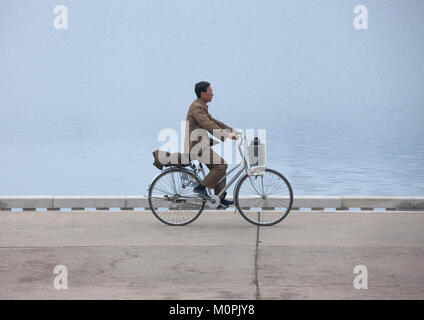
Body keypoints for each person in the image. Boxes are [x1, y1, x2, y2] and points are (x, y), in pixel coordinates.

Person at [184, 81, 238, 208]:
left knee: (220, 167)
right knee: (221, 165)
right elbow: (208, 125)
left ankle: (219, 198)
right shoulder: (196, 107)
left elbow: (212, 121)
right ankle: (201, 187)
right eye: (210, 91)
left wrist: (230, 130)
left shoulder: (201, 105)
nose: (212, 94)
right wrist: (226, 135)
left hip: (201, 145)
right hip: (197, 146)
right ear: (203, 94)